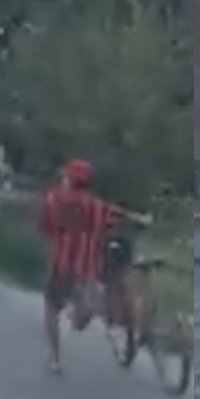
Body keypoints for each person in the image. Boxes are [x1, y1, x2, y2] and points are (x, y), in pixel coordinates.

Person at [38, 159, 149, 375]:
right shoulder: (96, 206)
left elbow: (44, 226)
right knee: (85, 307)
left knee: (51, 307)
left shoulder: (53, 198)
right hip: (86, 267)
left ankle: (54, 358)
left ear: (69, 179)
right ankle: (88, 309)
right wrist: (139, 219)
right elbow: (119, 216)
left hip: (60, 265)